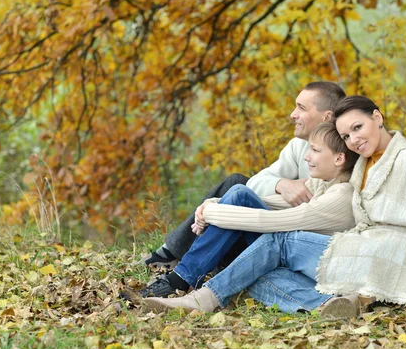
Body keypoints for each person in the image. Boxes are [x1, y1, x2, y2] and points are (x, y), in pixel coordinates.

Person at [141, 95, 406, 316]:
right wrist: (213, 204)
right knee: (254, 266)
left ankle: (202, 300)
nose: (354, 139)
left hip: (385, 256)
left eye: (358, 128)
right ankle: (326, 305)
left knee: (277, 241)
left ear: (378, 117)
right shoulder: (364, 162)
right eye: (346, 135)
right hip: (363, 251)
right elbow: (278, 199)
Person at [135, 122, 359, 298]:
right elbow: (269, 202)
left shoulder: (341, 195)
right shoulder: (321, 183)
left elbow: (273, 221)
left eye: (315, 151)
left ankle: (180, 279)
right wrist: (211, 204)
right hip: (277, 251)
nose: (307, 157)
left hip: (290, 260)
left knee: (239, 196)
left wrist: (211, 213)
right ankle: (181, 276)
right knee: (240, 191)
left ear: (339, 158)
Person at [141, 82, 346, 268]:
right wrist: (282, 184)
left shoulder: (344, 155)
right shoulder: (298, 146)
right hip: (274, 229)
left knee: (236, 195)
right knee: (236, 183)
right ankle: (174, 253)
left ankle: (178, 258)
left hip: (299, 241)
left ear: (327, 117)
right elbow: (255, 182)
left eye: (301, 108)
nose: (293, 114)